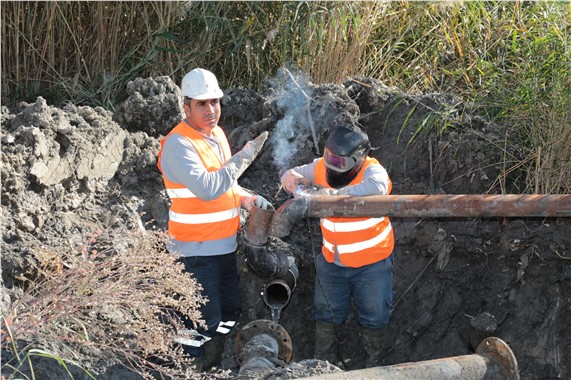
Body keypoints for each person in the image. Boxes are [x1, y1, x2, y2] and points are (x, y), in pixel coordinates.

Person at [157, 68, 271, 371]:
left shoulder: (217, 135)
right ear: (186, 107)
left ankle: (212, 365)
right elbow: (208, 188)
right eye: (201, 104)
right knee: (197, 324)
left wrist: (245, 198)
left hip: (223, 248)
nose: (211, 111)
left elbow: (226, 183)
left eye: (215, 103)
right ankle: (186, 370)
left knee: (228, 314)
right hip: (194, 252)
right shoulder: (178, 145)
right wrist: (245, 157)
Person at [280, 124, 394, 368]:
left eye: (339, 162)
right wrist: (300, 187)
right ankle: (323, 365)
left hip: (372, 265)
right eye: (329, 157)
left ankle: (374, 366)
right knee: (326, 315)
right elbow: (288, 176)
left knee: (374, 318)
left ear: (359, 159)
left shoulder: (373, 172)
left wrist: (327, 196)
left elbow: (378, 188)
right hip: (331, 262)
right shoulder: (322, 165)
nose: (332, 165)